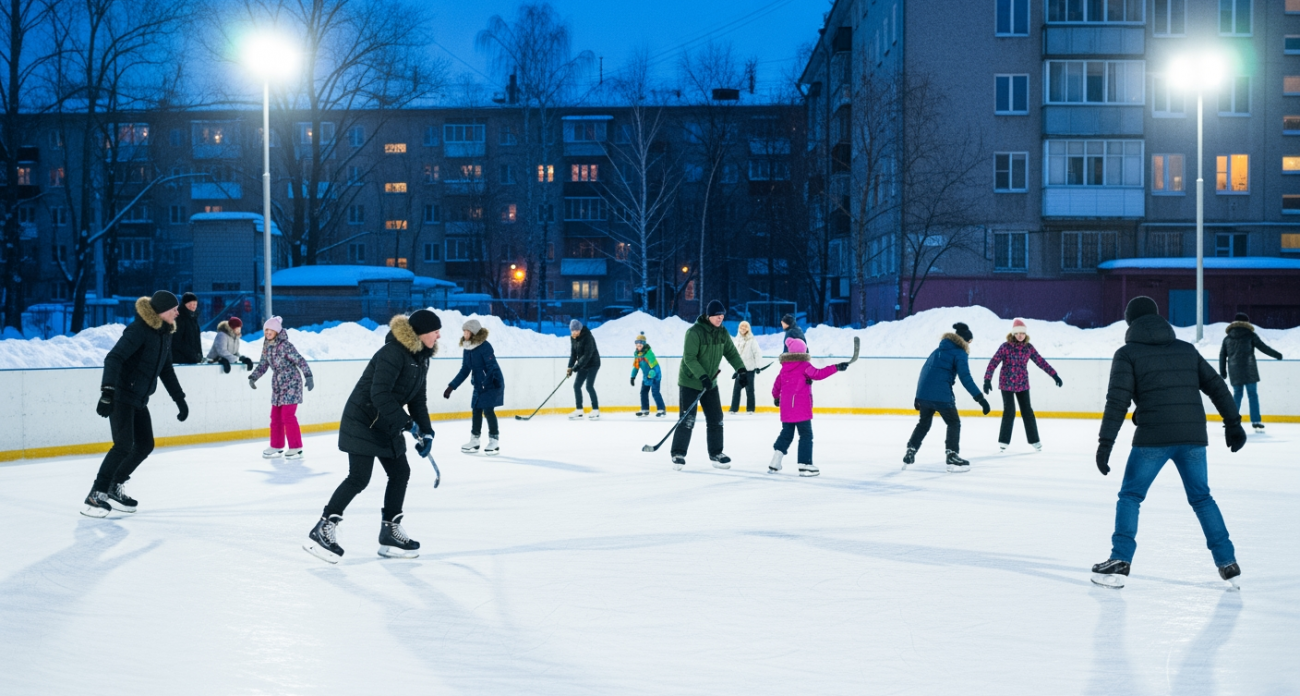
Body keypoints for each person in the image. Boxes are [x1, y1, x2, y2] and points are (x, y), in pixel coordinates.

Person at [1091, 296, 1247, 589]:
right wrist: (1233, 424)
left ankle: (1120, 560)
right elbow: (1216, 386)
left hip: (1153, 438)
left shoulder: (1127, 354)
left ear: (1130, 322)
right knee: (1202, 498)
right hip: (1192, 438)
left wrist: (1105, 443)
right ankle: (1228, 562)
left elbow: (1117, 402)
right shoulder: (1186, 350)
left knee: (1130, 496)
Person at [303, 310, 441, 563]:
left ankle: (390, 531)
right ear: (421, 333)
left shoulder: (421, 359)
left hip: (387, 423)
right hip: (363, 421)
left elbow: (417, 400)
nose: (438, 335)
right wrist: (408, 424)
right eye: (435, 331)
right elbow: (379, 395)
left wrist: (427, 431)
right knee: (359, 478)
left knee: (400, 472)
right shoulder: (392, 353)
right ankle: (322, 529)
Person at [82, 291, 190, 517]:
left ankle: (114, 486)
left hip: (139, 398)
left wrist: (179, 399)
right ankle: (96, 493)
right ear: (161, 310)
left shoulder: (164, 334)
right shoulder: (138, 330)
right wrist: (107, 392)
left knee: (145, 445)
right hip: (121, 396)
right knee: (123, 445)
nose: (177, 312)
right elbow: (113, 358)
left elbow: (166, 369)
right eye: (174, 309)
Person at [902, 322, 991, 473]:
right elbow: (965, 377)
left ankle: (911, 450)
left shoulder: (937, 351)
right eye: (970, 342)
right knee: (954, 423)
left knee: (923, 424)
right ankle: (952, 454)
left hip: (924, 395)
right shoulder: (960, 353)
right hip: (942, 396)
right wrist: (980, 398)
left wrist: (918, 397)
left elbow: (924, 371)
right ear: (965, 341)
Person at [670, 300, 748, 470]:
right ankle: (678, 453)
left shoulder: (722, 333)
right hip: (690, 381)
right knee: (687, 419)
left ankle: (716, 453)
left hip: (710, 383)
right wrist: (702, 376)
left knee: (716, 419)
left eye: (722, 315)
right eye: (717, 315)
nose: (720, 318)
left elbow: (731, 352)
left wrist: (741, 369)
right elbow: (689, 358)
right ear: (709, 315)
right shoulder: (694, 332)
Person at [769, 337, 848, 477]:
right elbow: (818, 374)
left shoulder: (784, 368)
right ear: (803, 351)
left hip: (786, 408)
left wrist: (776, 397)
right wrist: (836, 367)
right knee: (806, 435)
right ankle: (805, 465)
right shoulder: (804, 366)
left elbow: (776, 386)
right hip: (801, 407)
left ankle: (776, 460)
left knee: (786, 434)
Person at [983, 318, 1062, 452]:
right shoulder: (1005, 347)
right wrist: (987, 379)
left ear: (1026, 335)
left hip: (1022, 384)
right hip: (1006, 384)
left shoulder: (1028, 348)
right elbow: (993, 362)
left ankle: (1035, 440)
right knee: (1010, 411)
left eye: (1023, 333)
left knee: (1027, 411)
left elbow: (1040, 362)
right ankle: (1003, 441)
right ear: (1013, 334)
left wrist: (1054, 375)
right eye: (1018, 333)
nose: (1020, 335)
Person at [248, 316, 314, 460]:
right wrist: (254, 377)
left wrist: (308, 376)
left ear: (276, 331)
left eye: (270, 329)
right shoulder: (266, 345)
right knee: (275, 416)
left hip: (291, 382)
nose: (267, 332)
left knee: (288, 416)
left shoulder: (285, 345)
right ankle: (277, 445)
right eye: (265, 330)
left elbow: (300, 360)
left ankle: (296, 447)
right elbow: (263, 364)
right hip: (278, 385)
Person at [446, 319, 504, 456]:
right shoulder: (467, 348)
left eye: (467, 331)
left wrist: (486, 382)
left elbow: (492, 367)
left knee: (488, 410)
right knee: (476, 409)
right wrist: (451, 386)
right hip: (479, 383)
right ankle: (475, 440)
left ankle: (494, 440)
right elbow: (465, 369)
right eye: (464, 331)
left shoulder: (485, 346)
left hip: (492, 382)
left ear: (474, 332)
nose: (464, 334)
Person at [1219, 312, 1283, 432]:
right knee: (1252, 395)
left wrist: (1222, 371)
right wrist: (1277, 355)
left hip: (1234, 371)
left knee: (1237, 394)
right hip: (1249, 370)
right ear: (1247, 323)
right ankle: (1256, 421)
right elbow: (1263, 347)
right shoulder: (1250, 335)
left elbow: (1222, 355)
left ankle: (1232, 421)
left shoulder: (1227, 338)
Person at [567, 319, 601, 420]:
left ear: (580, 329)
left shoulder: (588, 337)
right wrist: (570, 367)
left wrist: (576, 367)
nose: (574, 332)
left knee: (589, 386)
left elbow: (587, 355)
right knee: (576, 386)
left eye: (576, 330)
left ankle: (595, 410)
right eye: (572, 330)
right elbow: (573, 354)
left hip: (593, 363)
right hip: (583, 364)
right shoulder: (573, 338)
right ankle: (579, 410)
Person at [730, 320, 763, 414]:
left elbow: (757, 353)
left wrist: (757, 366)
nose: (743, 328)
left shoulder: (752, 340)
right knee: (736, 389)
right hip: (740, 370)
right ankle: (733, 409)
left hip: (749, 369)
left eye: (745, 326)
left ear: (748, 328)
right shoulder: (737, 340)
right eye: (741, 326)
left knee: (750, 390)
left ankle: (750, 409)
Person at [630, 332, 666, 417]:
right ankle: (645, 410)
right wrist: (632, 377)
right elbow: (636, 366)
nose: (638, 346)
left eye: (640, 344)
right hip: (647, 376)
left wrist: (651, 375)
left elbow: (654, 368)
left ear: (644, 344)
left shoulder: (649, 354)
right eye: (637, 344)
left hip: (655, 375)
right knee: (643, 392)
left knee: (655, 392)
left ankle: (661, 410)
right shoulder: (637, 355)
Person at [172, 292, 203, 364]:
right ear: (184, 304)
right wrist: (191, 354)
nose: (193, 306)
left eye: (195, 304)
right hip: (180, 360)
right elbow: (176, 341)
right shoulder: (179, 318)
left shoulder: (193, 318)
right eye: (190, 304)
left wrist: (199, 354)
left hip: (192, 359)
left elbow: (196, 340)